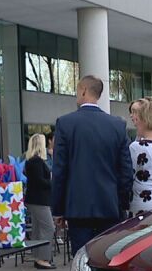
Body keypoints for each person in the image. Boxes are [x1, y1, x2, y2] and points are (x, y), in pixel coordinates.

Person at [50, 74, 133, 254]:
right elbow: (126, 170)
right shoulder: (117, 125)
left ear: (84, 91)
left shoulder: (65, 123)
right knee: (107, 260)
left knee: (82, 263)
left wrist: (58, 209)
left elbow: (59, 170)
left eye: (77, 91)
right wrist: (122, 204)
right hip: (110, 206)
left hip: (77, 209)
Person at [23, 133, 56, 269]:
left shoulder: (30, 161)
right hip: (40, 200)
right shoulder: (37, 161)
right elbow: (40, 182)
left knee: (38, 228)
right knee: (48, 227)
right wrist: (52, 181)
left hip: (34, 199)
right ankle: (43, 258)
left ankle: (38, 256)